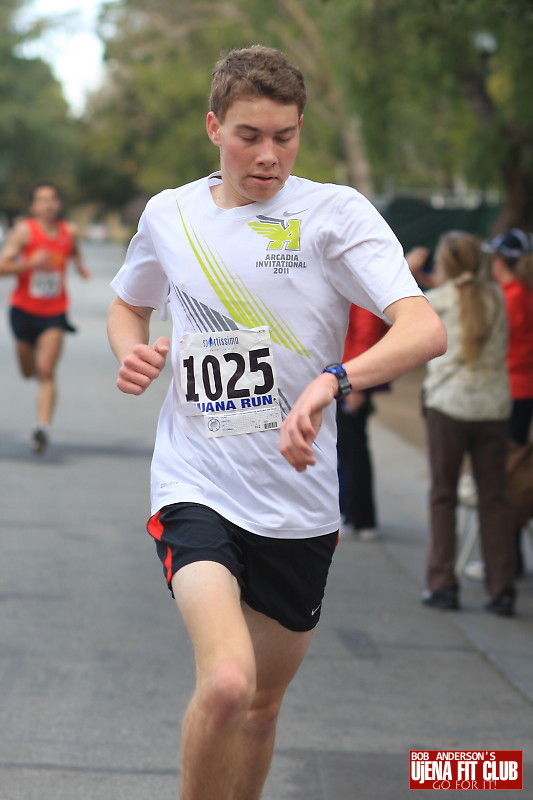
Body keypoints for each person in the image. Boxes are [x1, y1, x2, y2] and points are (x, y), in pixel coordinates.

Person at [107, 45, 446, 800]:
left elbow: (425, 329)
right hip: (196, 481)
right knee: (228, 683)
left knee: (260, 707)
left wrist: (333, 380)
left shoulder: (334, 214)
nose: (269, 155)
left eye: (285, 136)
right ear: (214, 128)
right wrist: (132, 352)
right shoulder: (171, 214)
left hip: (297, 500)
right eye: (249, 135)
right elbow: (129, 302)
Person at [409, 231, 516, 617]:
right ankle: (501, 589)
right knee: (494, 498)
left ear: (445, 264)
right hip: (492, 408)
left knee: (443, 495)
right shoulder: (496, 299)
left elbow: (396, 317)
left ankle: (442, 584)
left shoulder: (436, 300)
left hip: (447, 406)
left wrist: (409, 271)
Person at [0, 182, 90, 453]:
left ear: (59, 204)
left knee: (47, 371)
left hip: (54, 312)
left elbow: (74, 251)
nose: (48, 204)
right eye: (42, 200)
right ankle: (41, 417)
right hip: (23, 311)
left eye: (52, 199)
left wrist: (80, 266)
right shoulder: (24, 231)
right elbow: (3, 267)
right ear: (33, 206)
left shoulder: (68, 232)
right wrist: (29, 262)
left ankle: (42, 427)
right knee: (29, 372)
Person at [485, 229, 533, 576]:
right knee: (512, 471)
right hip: (521, 390)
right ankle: (510, 557)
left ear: (500, 260)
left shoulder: (508, 296)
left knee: (505, 475)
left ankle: (507, 560)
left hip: (509, 392)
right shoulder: (523, 293)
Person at [337, 304, 390, 540]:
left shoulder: (359, 292)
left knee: (353, 450)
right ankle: (352, 513)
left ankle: (360, 517)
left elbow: (366, 336)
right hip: (345, 376)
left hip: (350, 378)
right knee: (347, 449)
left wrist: (355, 385)